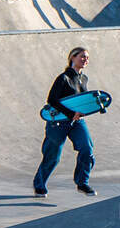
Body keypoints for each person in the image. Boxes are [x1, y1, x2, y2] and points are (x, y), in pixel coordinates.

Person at [33, 46, 97, 198]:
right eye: (82, 56)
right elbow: (52, 100)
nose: (85, 59)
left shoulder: (84, 78)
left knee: (87, 149)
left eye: (87, 57)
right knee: (52, 156)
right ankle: (39, 185)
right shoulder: (63, 78)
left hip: (77, 122)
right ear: (72, 58)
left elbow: (81, 101)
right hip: (58, 122)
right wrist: (70, 113)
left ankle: (82, 183)